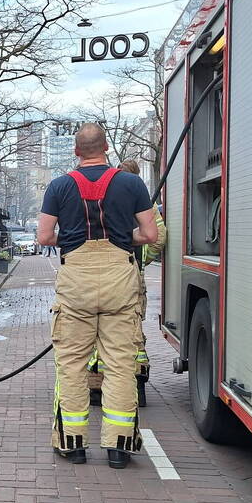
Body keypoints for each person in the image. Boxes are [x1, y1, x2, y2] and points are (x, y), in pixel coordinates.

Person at [37, 124, 158, 469]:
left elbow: (45, 237)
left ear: (76, 151)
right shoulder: (132, 183)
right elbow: (150, 233)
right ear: (106, 146)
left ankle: (73, 444)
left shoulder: (59, 186)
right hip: (120, 277)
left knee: (72, 363)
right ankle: (119, 447)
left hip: (77, 281)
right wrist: (123, 238)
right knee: (120, 363)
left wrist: (74, 239)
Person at [87, 159, 168, 407]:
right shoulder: (145, 203)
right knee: (131, 331)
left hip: (105, 272)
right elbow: (158, 237)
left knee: (99, 331)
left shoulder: (108, 199)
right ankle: (136, 386)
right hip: (132, 274)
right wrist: (142, 259)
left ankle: (99, 387)